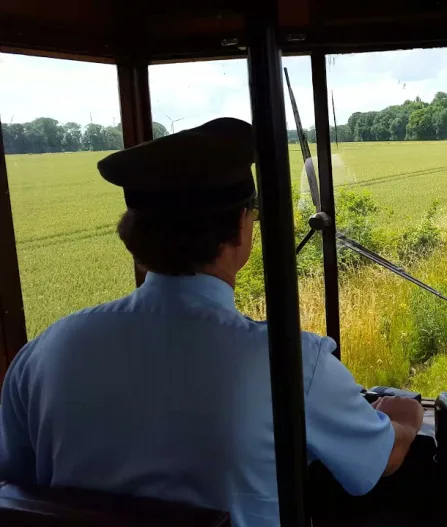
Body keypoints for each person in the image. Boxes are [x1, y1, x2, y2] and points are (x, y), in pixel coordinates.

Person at [0, 118, 425, 526]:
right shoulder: (290, 364)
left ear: (135, 237)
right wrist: (405, 416)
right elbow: (379, 461)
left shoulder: (44, 351)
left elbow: (14, 484)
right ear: (242, 228)